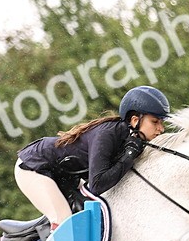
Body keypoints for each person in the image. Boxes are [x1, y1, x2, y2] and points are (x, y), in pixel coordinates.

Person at [15, 85, 170, 230]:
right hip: (34, 166)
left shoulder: (132, 139)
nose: (161, 129)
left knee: (87, 216)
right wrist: (128, 156)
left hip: (63, 176)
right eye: (155, 122)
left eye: (161, 123)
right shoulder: (108, 134)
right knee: (64, 220)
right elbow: (97, 185)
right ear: (135, 120)